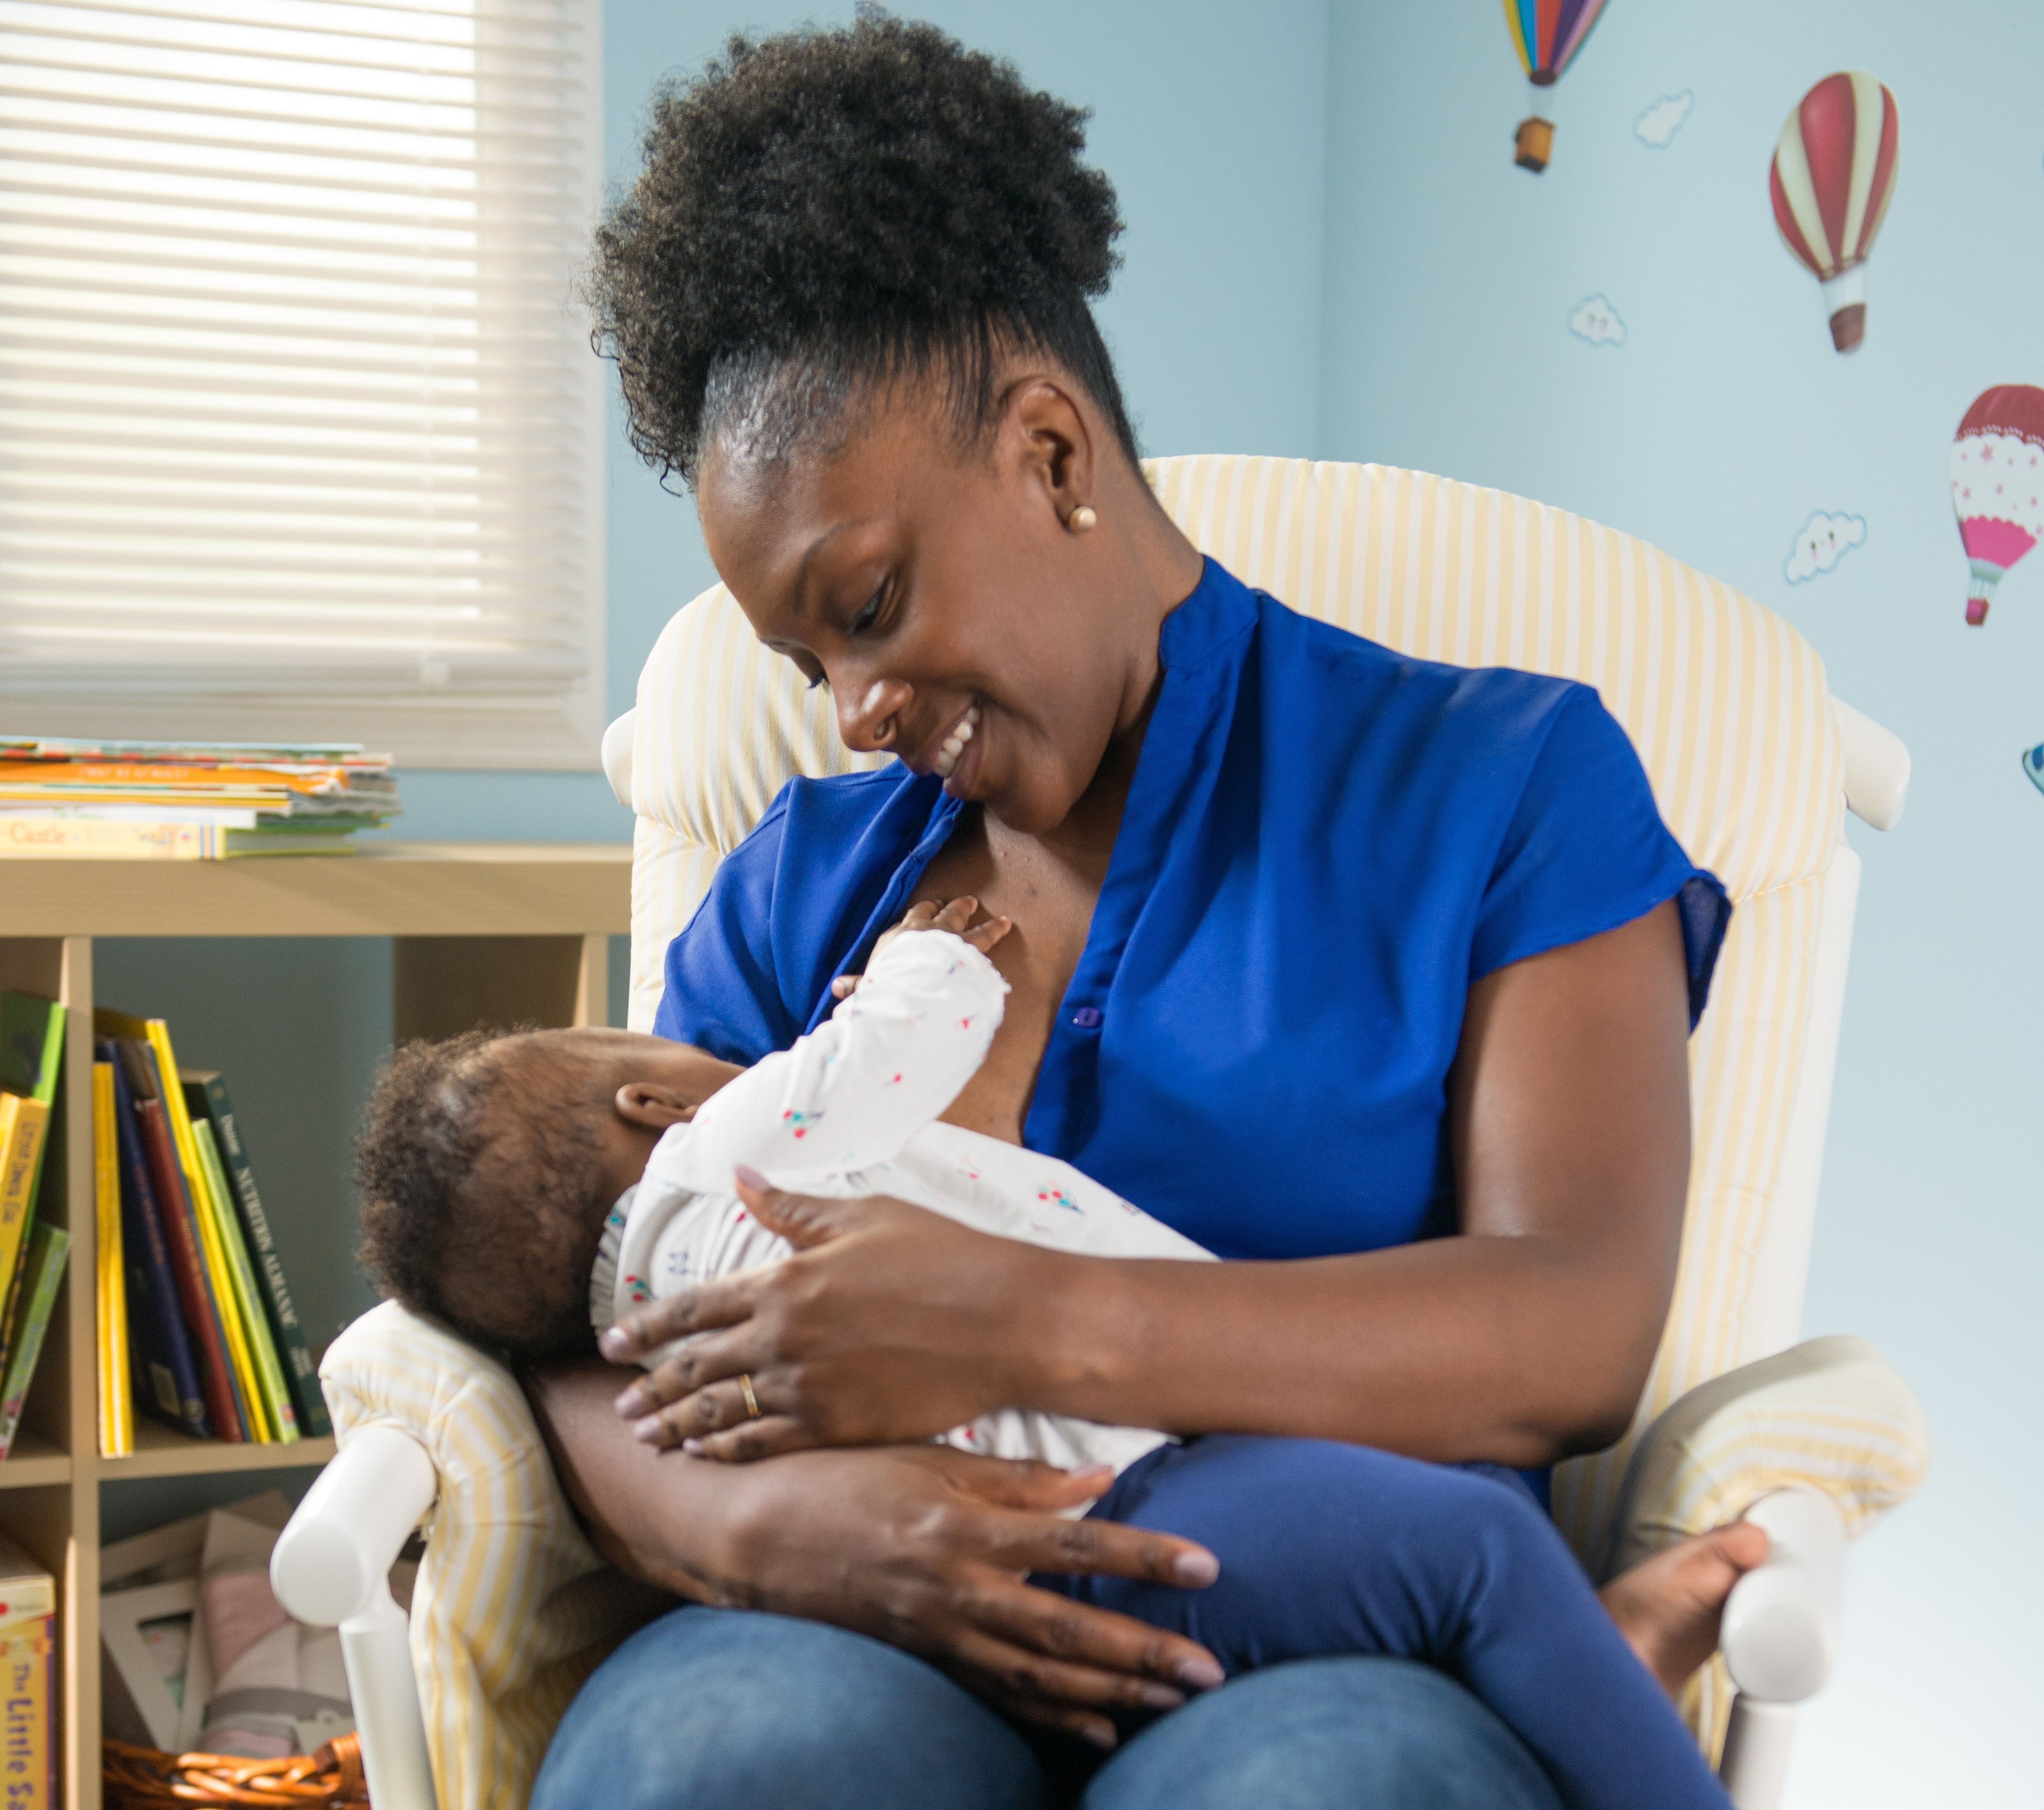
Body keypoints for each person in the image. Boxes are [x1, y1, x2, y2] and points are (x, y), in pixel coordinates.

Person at [524, 15, 1760, 1808]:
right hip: (845, 1623)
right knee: (709, 1766)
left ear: (1047, 452)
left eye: (866, 603)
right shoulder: (808, 873)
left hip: (1322, 1627)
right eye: (805, 660)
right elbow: (582, 1316)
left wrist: (1026, 1322)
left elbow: (1568, 1331)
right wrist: (770, 1534)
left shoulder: (1498, 783)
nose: (853, 706)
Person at [356, 902, 1736, 1810]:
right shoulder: (726, 1146)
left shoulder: (631, 1333)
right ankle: (1607, 1706)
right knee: (1474, 1562)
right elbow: (890, 1049)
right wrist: (931, 962)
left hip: (1057, 1540)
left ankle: (1556, 1669)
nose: (854, 705)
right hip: (1129, 1504)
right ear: (648, 1095)